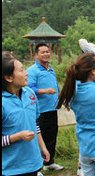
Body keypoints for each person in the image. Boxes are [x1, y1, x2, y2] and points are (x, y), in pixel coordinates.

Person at [2, 51, 50, 176]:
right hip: (10, 169)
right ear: (8, 77)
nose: (26, 73)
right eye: (21, 70)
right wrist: (17, 137)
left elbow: (34, 123)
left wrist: (42, 147)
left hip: (33, 164)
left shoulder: (30, 93)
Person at [26, 43, 63, 171]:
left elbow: (56, 86)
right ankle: (37, 168)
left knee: (52, 136)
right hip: (40, 111)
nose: (46, 54)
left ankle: (49, 163)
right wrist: (44, 91)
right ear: (36, 55)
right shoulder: (32, 71)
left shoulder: (50, 68)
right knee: (39, 139)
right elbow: (28, 88)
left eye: (48, 51)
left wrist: (60, 99)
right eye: (43, 52)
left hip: (52, 109)